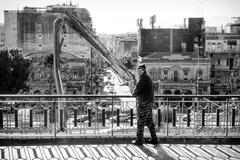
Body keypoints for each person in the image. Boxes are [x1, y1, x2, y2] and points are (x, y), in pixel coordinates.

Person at [131, 64, 158, 145]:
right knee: (149, 122)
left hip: (144, 103)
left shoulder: (143, 79)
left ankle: (139, 140)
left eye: (139, 71)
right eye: (137, 71)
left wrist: (133, 91)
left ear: (143, 71)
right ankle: (154, 139)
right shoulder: (148, 77)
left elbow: (135, 92)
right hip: (149, 102)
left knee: (141, 122)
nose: (138, 72)